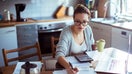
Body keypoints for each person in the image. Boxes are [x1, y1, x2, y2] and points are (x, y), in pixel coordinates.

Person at [56, 4, 96, 74]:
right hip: (70, 67)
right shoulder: (66, 32)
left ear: (88, 21)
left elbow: (92, 47)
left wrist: (96, 48)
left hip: (86, 68)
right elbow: (59, 55)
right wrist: (69, 68)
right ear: (73, 19)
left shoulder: (88, 29)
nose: (81, 25)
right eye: (77, 21)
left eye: (84, 22)